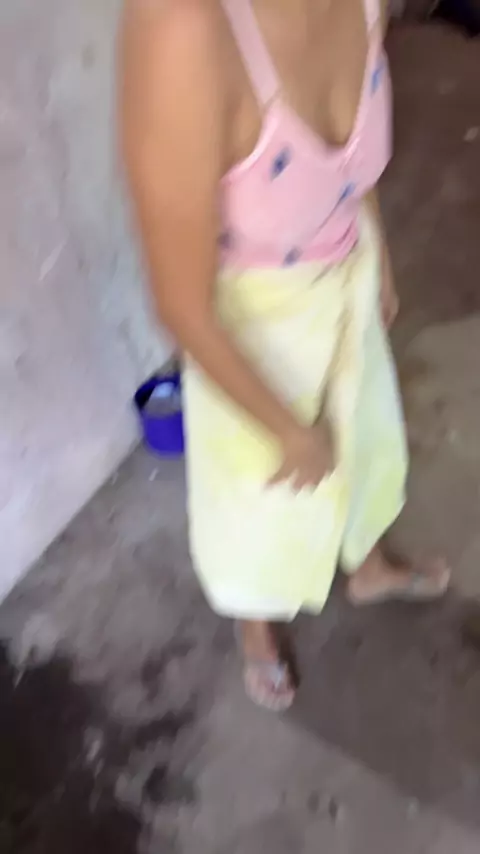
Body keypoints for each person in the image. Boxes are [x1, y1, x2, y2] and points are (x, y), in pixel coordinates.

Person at [120, 0, 450, 711]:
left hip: (347, 281)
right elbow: (180, 305)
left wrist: (378, 253)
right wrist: (289, 431)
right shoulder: (182, 29)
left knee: (364, 441)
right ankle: (257, 630)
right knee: (259, 506)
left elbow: (352, 169)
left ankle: (367, 565)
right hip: (249, 336)